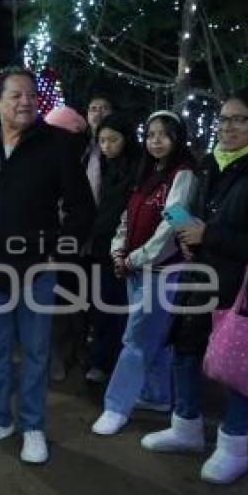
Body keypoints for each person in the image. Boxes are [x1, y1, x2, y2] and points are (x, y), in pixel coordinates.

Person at [142, 87, 248, 485]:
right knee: (185, 350)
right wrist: (188, 236)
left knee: (240, 364)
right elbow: (199, 216)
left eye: (239, 119)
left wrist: (206, 234)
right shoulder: (213, 161)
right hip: (202, 274)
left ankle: (234, 444)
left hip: (245, 284)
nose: (227, 127)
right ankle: (186, 427)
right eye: (224, 119)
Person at [0, 67, 95, 464]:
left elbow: (82, 208)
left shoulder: (57, 145)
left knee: (34, 351)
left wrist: (58, 253)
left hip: (38, 270)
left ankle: (32, 426)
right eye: (15, 95)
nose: (25, 101)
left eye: (31, 95)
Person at [91, 110, 197, 436]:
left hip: (161, 270)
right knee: (155, 337)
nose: (156, 141)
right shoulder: (149, 172)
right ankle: (156, 394)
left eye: (164, 135)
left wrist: (136, 258)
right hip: (137, 267)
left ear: (177, 138)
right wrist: (119, 249)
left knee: (135, 338)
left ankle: (116, 405)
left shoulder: (184, 174)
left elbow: (173, 224)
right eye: (151, 135)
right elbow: (128, 214)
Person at [84, 114, 142, 383]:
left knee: (120, 307)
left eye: (113, 140)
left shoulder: (139, 169)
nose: (106, 146)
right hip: (100, 247)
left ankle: (115, 364)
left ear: (126, 139)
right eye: (102, 140)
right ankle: (100, 361)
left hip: (126, 249)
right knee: (101, 306)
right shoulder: (102, 168)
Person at [43, 106, 90, 382]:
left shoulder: (93, 159)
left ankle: (78, 352)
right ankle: (58, 357)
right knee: (54, 305)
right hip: (51, 246)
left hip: (80, 246)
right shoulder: (46, 158)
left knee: (76, 303)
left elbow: (84, 207)